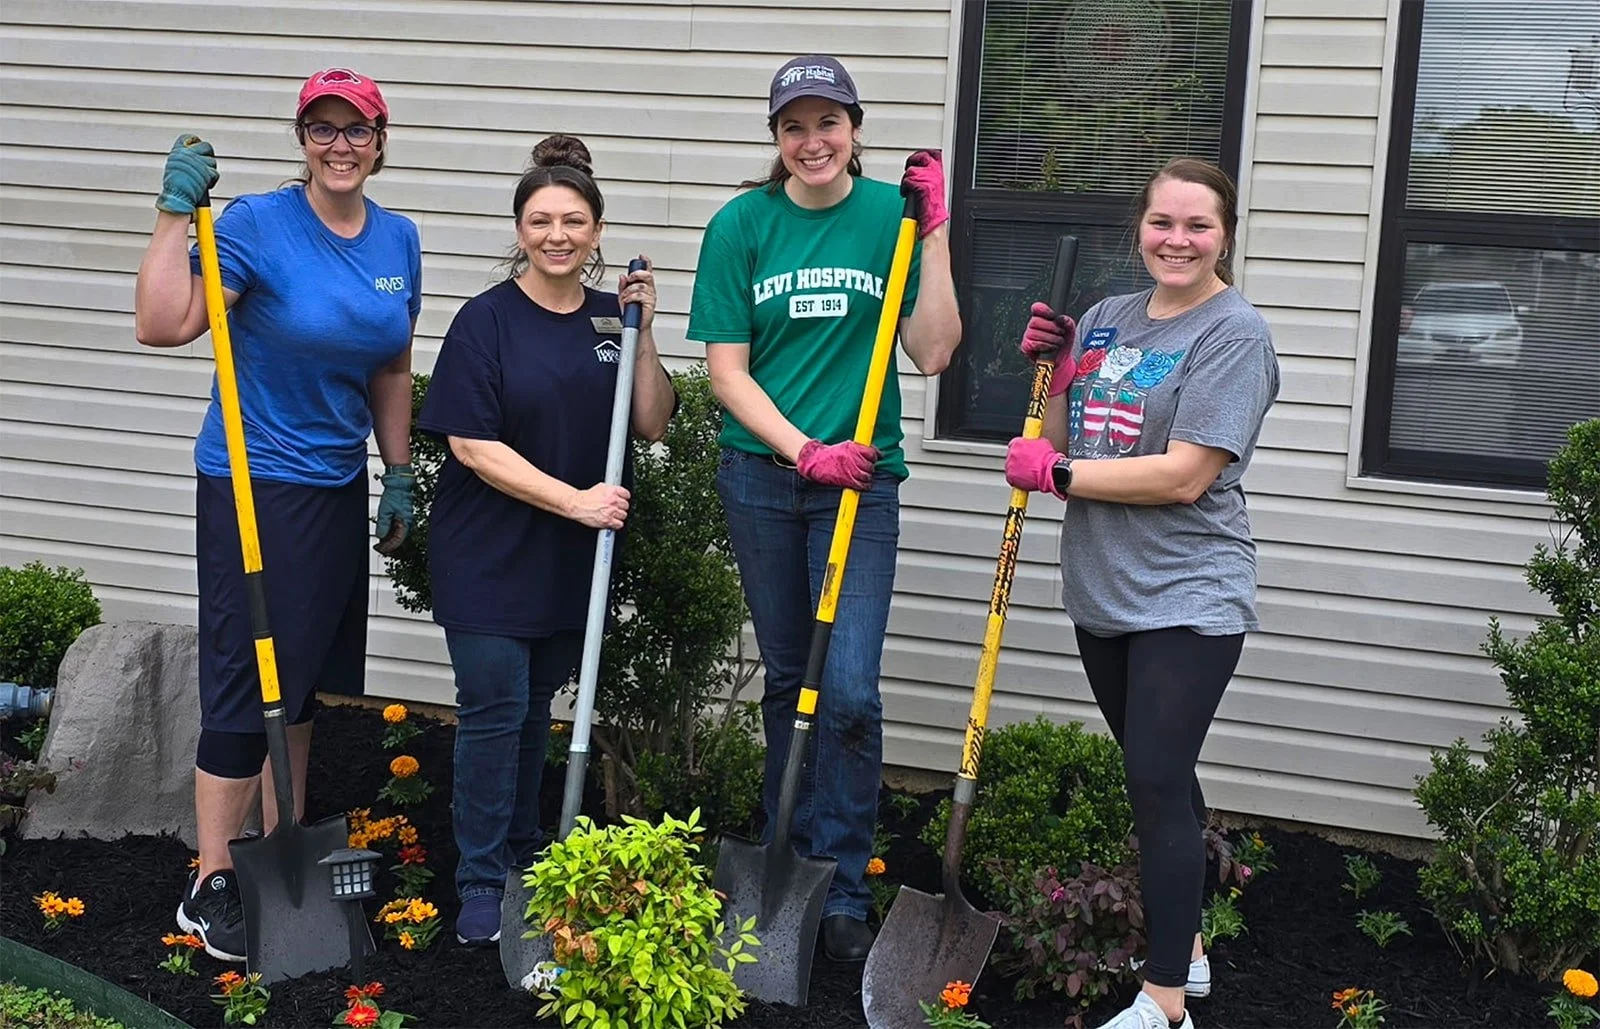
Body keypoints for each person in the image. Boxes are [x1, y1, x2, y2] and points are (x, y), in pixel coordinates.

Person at [133, 67, 421, 962]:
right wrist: (175, 213)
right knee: (242, 674)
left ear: (381, 139)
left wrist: (400, 472)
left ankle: (279, 841)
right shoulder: (255, 226)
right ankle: (210, 878)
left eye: (357, 129)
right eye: (322, 128)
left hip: (335, 485)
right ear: (302, 139)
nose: (341, 144)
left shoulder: (399, 239)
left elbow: (391, 366)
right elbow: (162, 323)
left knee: (301, 680)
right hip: (253, 485)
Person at [687, 54, 962, 962]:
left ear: (854, 129)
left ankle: (845, 880)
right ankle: (784, 852)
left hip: (864, 484)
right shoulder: (742, 225)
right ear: (777, 138)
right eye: (794, 126)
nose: (813, 141)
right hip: (766, 479)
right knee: (785, 676)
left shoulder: (891, 216)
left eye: (828, 123)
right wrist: (803, 448)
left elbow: (932, 353)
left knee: (846, 686)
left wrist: (931, 236)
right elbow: (727, 373)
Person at [1003, 157, 1280, 1029]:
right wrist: (1051, 367)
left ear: (1225, 233)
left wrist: (1059, 474)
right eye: (1163, 223)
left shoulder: (1234, 334)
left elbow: (1186, 476)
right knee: (1161, 779)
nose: (1179, 240)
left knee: (1156, 778)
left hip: (1190, 590)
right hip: (1104, 587)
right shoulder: (1109, 319)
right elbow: (1058, 432)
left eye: (1198, 225)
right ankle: (1187, 949)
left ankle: (1164, 1002)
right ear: (1141, 228)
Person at [416, 134, 677, 946]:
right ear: (519, 229)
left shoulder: (612, 317)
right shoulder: (486, 320)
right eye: (540, 220)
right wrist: (577, 502)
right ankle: (483, 877)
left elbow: (653, 420)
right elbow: (470, 444)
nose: (557, 235)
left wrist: (644, 330)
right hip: (489, 551)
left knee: (533, 710)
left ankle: (527, 850)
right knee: (494, 708)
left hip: (571, 556)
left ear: (597, 232)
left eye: (573, 220)